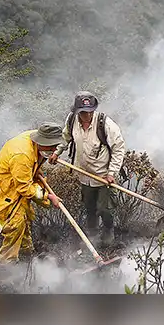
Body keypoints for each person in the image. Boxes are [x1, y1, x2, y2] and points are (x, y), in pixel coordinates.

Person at [48, 91, 126, 246]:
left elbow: (118, 148)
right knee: (90, 208)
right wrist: (57, 152)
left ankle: (108, 234)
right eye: (83, 112)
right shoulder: (71, 121)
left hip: (103, 176)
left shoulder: (105, 124)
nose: (87, 115)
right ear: (77, 111)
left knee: (106, 209)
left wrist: (112, 173)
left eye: (90, 112)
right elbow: (66, 138)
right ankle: (92, 238)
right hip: (84, 176)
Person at [0, 123, 63, 264]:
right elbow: (24, 188)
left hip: (13, 188)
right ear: (42, 142)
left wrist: (36, 172)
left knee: (24, 220)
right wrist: (48, 197)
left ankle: (26, 255)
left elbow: (31, 166)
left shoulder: (34, 140)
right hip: (4, 195)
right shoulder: (22, 155)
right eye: (51, 146)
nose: (54, 149)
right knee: (15, 225)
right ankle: (8, 265)